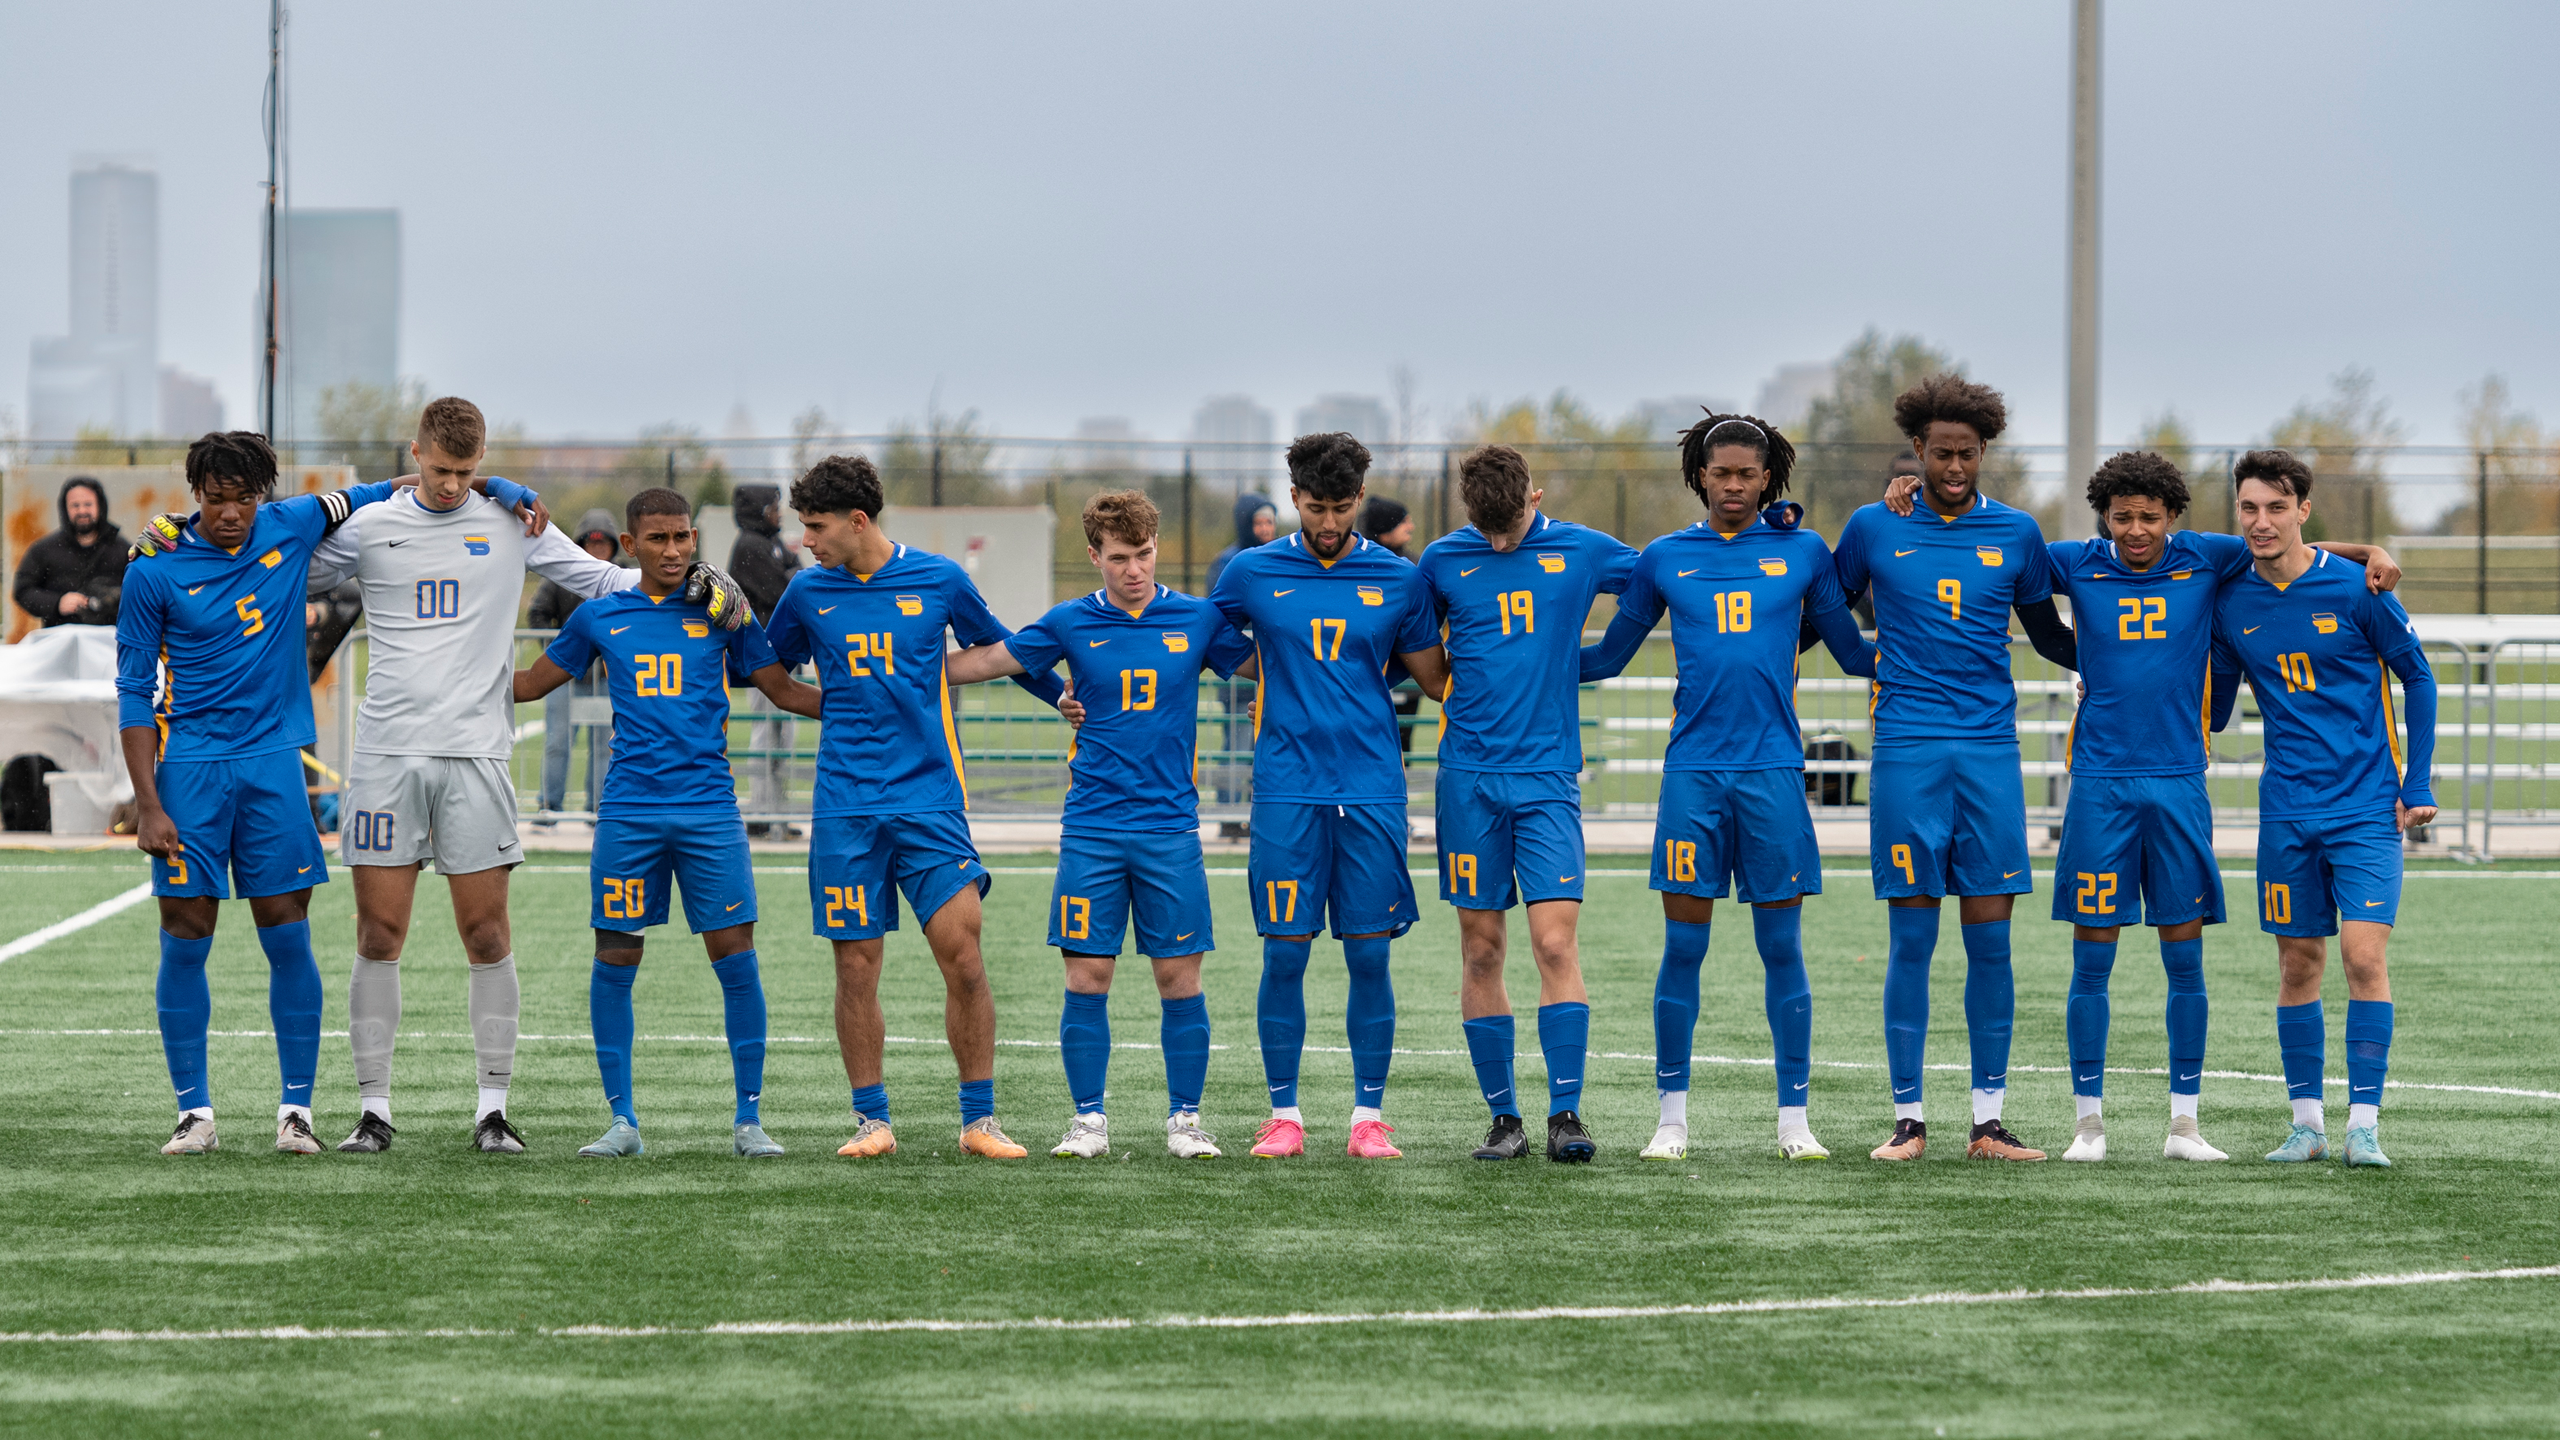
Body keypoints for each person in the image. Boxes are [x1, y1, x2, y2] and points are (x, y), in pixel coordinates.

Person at [1886, 453, 2401, 1162]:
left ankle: (2184, 1126)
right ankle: (2088, 1127)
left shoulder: (2207, 556)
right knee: (2091, 958)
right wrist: (1912, 497)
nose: (2135, 530)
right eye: (2122, 517)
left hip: (2181, 783)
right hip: (2099, 784)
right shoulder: (2075, 561)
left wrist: (2369, 551)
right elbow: (1997, 541)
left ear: (2173, 518)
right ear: (2104, 517)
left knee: (2184, 959)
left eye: (2150, 517)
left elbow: (2284, 545)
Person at [292, 397, 747, 1155]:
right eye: (439, 470)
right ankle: (374, 1109)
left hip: (477, 753)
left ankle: (492, 1109)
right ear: (416, 455)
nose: (451, 484)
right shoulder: (372, 528)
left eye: (468, 472)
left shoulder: (513, 522)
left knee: (487, 932)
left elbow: (609, 582)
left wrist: (709, 581)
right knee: (378, 933)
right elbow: (283, 574)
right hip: (386, 756)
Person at [1580, 417, 1875, 1163]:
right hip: (1693, 778)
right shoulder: (1664, 557)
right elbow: (1610, 658)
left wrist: (1938, 643)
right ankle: (1671, 1121)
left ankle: (1794, 1122)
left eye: (1749, 474)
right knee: (1683, 948)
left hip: (1774, 774)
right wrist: (1519, 662)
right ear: (1699, 478)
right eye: (1723, 474)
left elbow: (1851, 653)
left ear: (1769, 477)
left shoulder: (1805, 551)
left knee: (1783, 949)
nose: (1735, 486)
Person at [762, 454, 1066, 1160]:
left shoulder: (938, 579)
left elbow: (1001, 651)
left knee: (963, 952)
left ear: (857, 521)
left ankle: (979, 1122)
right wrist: (828, 704)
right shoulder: (808, 594)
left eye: (815, 527)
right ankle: (873, 1121)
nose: (807, 540)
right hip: (845, 807)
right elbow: (771, 675)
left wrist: (1063, 701)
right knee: (856, 967)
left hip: (930, 800)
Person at [944, 489, 1257, 1160]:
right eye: (1119, 558)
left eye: (1144, 555)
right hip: (1091, 828)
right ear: (1095, 556)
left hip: (1171, 830)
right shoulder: (1069, 621)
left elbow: (1271, 664)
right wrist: (889, 671)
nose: (1134, 570)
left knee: (1180, 980)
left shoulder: (1197, 619)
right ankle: (1088, 1121)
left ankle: (1186, 1121)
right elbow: (988, 660)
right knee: (1087, 977)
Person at [113, 432, 401, 1155]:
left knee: (286, 926)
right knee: (185, 932)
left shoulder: (295, 522)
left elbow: (401, 488)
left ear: (262, 496)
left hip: (274, 765)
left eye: (244, 498)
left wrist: (510, 495)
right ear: (195, 495)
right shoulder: (155, 569)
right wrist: (147, 803)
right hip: (191, 771)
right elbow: (132, 692)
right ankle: (194, 1113)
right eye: (216, 499)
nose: (232, 513)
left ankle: (295, 1111)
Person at [511, 488, 822, 1159]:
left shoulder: (721, 611)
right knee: (616, 958)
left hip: (710, 812)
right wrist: (441, 676)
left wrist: (869, 703)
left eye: (684, 537)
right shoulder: (600, 617)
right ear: (631, 546)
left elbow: (781, 688)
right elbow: (534, 683)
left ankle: (749, 1122)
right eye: (658, 539)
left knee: (736, 962)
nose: (675, 550)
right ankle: (622, 1122)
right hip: (629, 815)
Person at [1831, 374, 2077, 1163]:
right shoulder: (1874, 526)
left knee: (1992, 945)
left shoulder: (2017, 534)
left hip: (1989, 757)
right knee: (1911, 941)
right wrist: (1863, 660)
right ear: (1917, 450)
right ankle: (1908, 1122)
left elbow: (2050, 635)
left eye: (1968, 453)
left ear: (1984, 451)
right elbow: (1820, 604)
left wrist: (2133, 665)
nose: (1955, 466)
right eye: (1941, 453)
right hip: (1906, 751)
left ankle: (1988, 1123)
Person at [1208, 433, 1448, 1160]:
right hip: (1286, 790)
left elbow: (1435, 677)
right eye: (1316, 508)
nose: (1328, 522)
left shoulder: (1400, 579)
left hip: (1372, 789)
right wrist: (1259, 666)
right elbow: (1201, 633)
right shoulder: (1252, 571)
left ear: (1359, 503)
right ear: (1294, 499)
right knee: (1285, 954)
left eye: (1342, 508)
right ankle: (1284, 1116)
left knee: (1369, 958)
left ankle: (1367, 1119)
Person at [2208, 449, 2436, 1169]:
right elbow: (2214, 709)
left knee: (2362, 956)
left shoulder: (2360, 587)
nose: (2262, 521)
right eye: (2249, 508)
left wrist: (2418, 783)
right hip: (2286, 811)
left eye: (2278, 507)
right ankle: (2305, 1125)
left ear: (2304, 510)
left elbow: (2419, 679)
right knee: (2297, 964)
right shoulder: (2230, 598)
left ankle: (2363, 1125)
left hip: (2367, 805)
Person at [1417, 445, 1637, 1162]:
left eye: (1511, 524)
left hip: (1547, 778)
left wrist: (1601, 660)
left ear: (1535, 497)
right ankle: (1503, 1119)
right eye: (1489, 530)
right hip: (1467, 780)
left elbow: (1666, 577)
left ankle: (1565, 1115)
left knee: (1553, 942)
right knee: (1482, 949)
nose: (1502, 541)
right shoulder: (1444, 561)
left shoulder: (1583, 550)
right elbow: (1417, 652)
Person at [529, 511, 622, 822]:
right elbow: (537, 614)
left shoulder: (622, 577)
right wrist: (561, 654)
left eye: (603, 542)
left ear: (614, 546)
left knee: (603, 745)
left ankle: (598, 808)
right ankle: (549, 806)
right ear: (580, 544)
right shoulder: (561, 575)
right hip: (564, 679)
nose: (596, 548)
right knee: (557, 742)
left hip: (607, 679)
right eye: (590, 542)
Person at [727, 482, 805, 837]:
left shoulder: (770, 543)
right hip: (761, 656)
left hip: (780, 654)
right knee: (766, 732)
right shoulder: (750, 545)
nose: (779, 512)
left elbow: (799, 576)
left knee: (782, 736)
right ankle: (761, 810)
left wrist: (793, 575)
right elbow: (788, 588)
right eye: (773, 506)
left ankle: (776, 811)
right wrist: (792, 576)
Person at [1205, 492, 1279, 833]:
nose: (1265, 529)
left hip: (1272, 669)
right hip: (1240, 669)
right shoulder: (1230, 562)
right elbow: (1219, 620)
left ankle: (1257, 812)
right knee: (1236, 743)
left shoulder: (1279, 558)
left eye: (1270, 522)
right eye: (1258, 522)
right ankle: (1230, 814)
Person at [15, 476, 126, 628]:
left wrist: (111, 599)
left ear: (100, 506)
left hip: (110, 642)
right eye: (75, 505)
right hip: (59, 641)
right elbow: (23, 590)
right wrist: (57, 603)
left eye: (88, 504)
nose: (82, 511)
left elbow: (142, 591)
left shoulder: (123, 549)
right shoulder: (44, 549)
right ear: (65, 508)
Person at [1362, 496, 1426, 759]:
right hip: (1367, 669)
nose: (1410, 527)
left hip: (1408, 671)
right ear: (1385, 531)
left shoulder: (1413, 565)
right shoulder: (1359, 566)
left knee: (1403, 740)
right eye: (1403, 522)